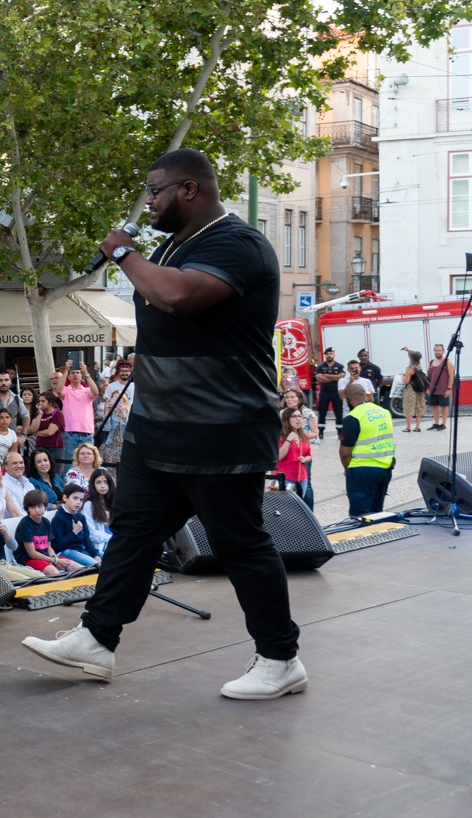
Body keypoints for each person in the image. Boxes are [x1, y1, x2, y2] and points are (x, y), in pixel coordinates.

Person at [23, 148, 307, 700]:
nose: (148, 202)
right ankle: (97, 640)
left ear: (191, 190)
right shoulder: (179, 245)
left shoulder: (239, 245)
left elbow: (174, 296)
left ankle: (280, 658)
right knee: (133, 534)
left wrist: (124, 252)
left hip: (220, 428)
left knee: (240, 544)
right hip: (160, 427)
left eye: (156, 191)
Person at [339, 384, 396, 517]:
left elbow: (345, 452)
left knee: (359, 515)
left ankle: (362, 537)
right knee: (377, 513)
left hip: (362, 471)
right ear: (365, 394)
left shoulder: (353, 417)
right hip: (385, 468)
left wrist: (347, 469)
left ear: (348, 398)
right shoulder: (384, 412)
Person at [275, 407, 313, 506]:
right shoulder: (280, 435)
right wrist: (288, 440)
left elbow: (309, 455)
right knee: (285, 507)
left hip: (302, 478)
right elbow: (278, 456)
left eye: (300, 416)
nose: (298, 419)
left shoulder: (305, 436)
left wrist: (305, 459)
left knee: (298, 507)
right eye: (294, 416)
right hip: (286, 477)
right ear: (287, 419)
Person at [313, 347, 346, 428]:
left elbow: (341, 377)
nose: (329, 355)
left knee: (339, 414)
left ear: (334, 355)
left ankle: (340, 432)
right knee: (322, 413)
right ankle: (320, 431)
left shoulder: (339, 366)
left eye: (331, 354)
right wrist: (335, 377)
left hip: (336, 393)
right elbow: (319, 378)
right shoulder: (321, 366)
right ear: (325, 355)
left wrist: (326, 375)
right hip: (324, 393)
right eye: (327, 354)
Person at [425, 342, 453, 431]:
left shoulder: (447, 362)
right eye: (436, 350)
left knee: (444, 406)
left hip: (443, 388)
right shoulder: (432, 362)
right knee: (434, 406)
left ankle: (443, 423)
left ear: (443, 351)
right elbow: (429, 375)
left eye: (439, 351)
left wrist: (449, 388)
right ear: (434, 351)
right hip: (433, 388)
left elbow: (451, 375)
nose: (438, 352)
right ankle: (436, 423)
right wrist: (428, 387)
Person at [398, 348, 427, 432]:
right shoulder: (419, 366)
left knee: (409, 408)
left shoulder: (409, 368)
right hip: (419, 389)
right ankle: (417, 427)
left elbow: (406, 381)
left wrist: (402, 376)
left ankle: (408, 427)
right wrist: (408, 349)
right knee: (419, 407)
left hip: (410, 390)